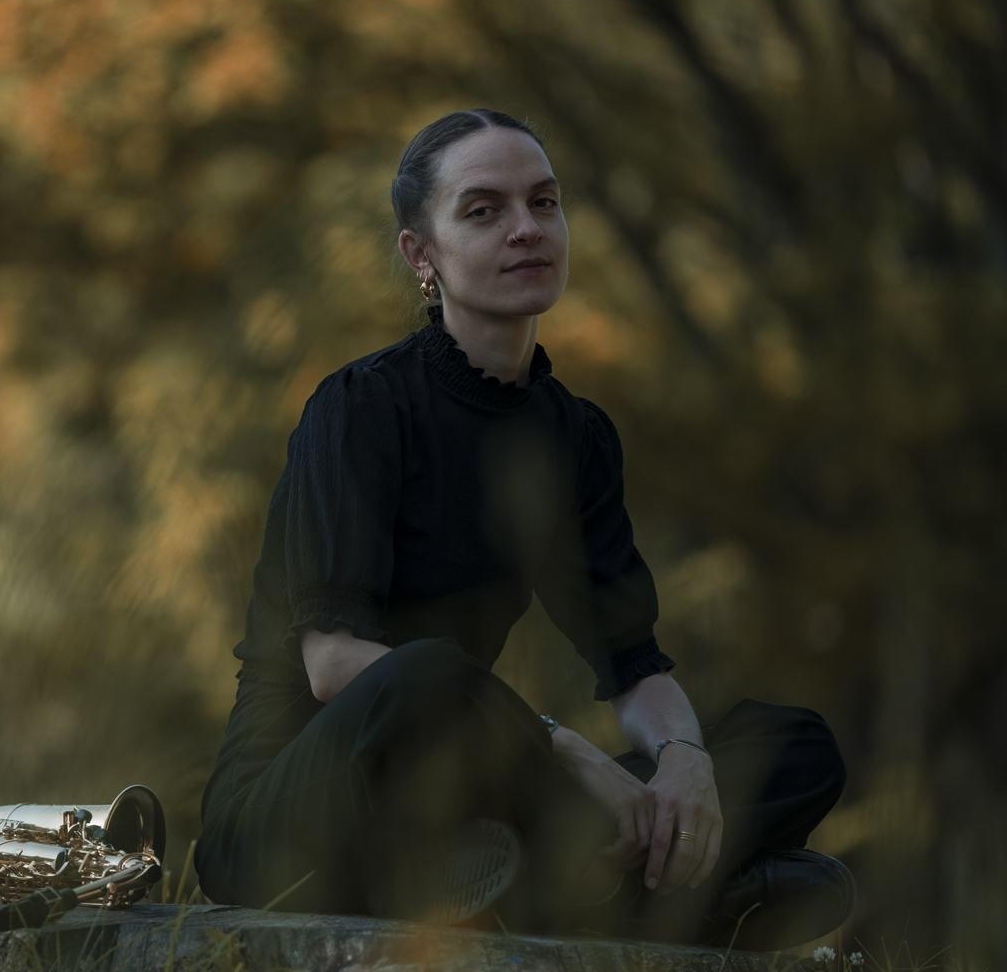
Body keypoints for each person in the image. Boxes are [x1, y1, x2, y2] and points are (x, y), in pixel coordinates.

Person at [193, 109, 854, 948]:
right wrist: (563, 751)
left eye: (543, 202)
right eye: (483, 211)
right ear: (421, 256)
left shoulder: (574, 437)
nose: (525, 229)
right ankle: (667, 895)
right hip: (295, 816)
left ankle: (569, 882)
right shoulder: (361, 407)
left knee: (794, 745)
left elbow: (632, 667)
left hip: (477, 791)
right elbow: (333, 668)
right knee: (427, 672)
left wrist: (684, 762)